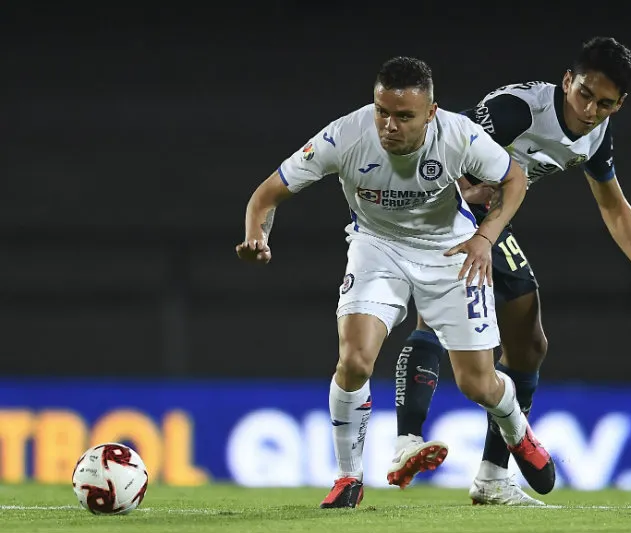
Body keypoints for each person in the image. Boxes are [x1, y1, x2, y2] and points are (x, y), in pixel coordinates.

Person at [236, 56, 555, 509]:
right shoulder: (345, 135)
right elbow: (267, 194)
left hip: (449, 250)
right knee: (354, 361)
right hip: (376, 247)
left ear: (431, 113)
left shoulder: (459, 135)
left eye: (404, 116)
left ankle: (519, 433)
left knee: (477, 384)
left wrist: (486, 237)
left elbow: (513, 177)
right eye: (382, 111)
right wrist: (256, 236)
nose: (389, 125)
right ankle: (348, 478)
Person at [389, 37, 631, 505]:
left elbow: (612, 203)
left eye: (604, 103)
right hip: (441, 206)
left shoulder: (597, 133)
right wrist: (460, 192)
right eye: (584, 94)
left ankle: (486, 474)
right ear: (567, 80)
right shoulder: (516, 110)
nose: (589, 110)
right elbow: (440, 144)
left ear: (619, 104)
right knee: (442, 319)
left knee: (527, 343)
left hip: (488, 217)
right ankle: (413, 445)